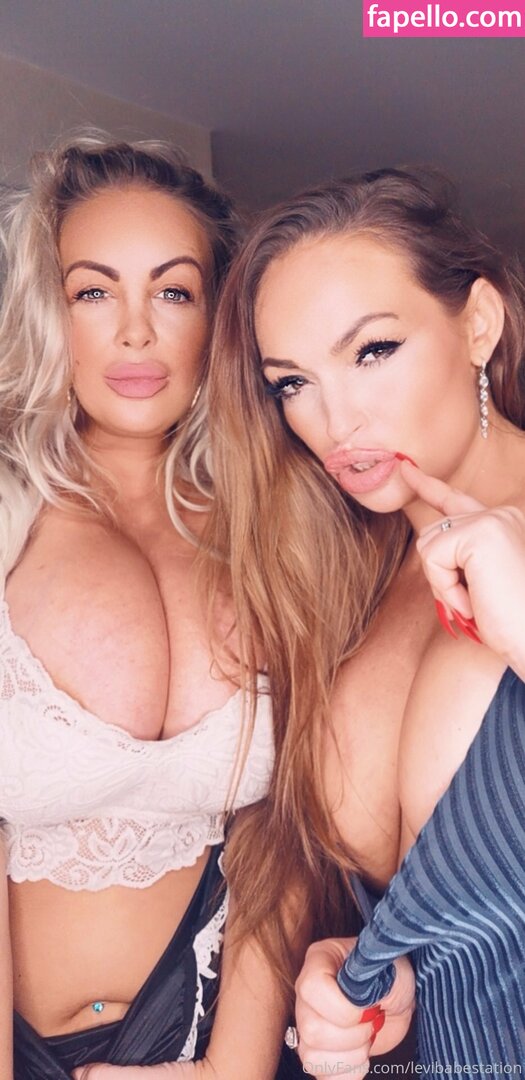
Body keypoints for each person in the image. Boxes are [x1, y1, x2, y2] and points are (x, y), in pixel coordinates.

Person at [199, 166, 525, 1069]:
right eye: (291, 383)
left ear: (478, 323)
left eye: (372, 350)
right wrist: (361, 967)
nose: (335, 419)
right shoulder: (351, 589)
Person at [0, 133, 294, 1080]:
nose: (135, 332)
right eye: (94, 292)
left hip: (221, 1034)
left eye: (173, 292)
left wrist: (233, 1065)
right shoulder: (10, 518)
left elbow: (287, 825)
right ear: (50, 312)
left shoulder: (274, 526)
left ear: (217, 317)